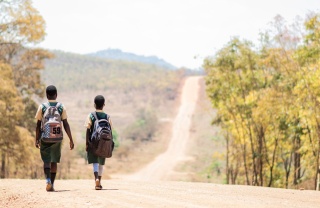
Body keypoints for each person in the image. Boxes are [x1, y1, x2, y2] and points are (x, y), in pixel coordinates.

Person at [35, 85, 74, 191]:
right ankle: (52, 184)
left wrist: (37, 139)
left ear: (46, 95)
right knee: (54, 161)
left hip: (45, 137)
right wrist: (71, 139)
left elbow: (38, 125)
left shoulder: (42, 107)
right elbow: (66, 124)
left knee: (46, 160)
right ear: (56, 95)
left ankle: (47, 180)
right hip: (57, 138)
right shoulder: (61, 107)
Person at [84, 95, 113, 190]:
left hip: (94, 143)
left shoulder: (91, 115)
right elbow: (110, 132)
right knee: (101, 163)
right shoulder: (107, 117)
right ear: (104, 105)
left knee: (95, 162)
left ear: (94, 105)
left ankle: (96, 178)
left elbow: (88, 130)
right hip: (104, 143)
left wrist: (87, 143)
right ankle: (99, 182)